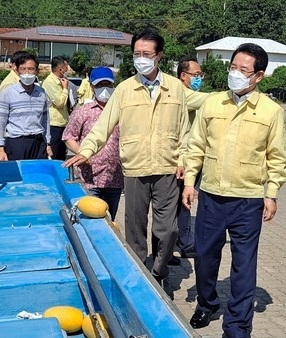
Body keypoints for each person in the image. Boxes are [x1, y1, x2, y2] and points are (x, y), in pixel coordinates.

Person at [64, 29, 190, 299]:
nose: (141, 59)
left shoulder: (175, 88)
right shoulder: (124, 89)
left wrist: (183, 160)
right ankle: (140, 277)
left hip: (168, 168)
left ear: (159, 56)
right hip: (134, 169)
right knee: (134, 231)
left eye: (147, 54)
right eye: (137, 54)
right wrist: (86, 150)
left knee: (168, 230)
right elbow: (103, 126)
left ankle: (158, 272)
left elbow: (185, 130)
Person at [182, 43, 286, 336]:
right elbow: (195, 147)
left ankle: (238, 326)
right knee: (204, 257)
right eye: (233, 68)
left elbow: (277, 157)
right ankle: (207, 303)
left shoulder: (271, 111)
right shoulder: (212, 104)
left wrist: (272, 193)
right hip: (212, 196)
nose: (236, 74)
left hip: (249, 200)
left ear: (258, 76)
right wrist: (190, 182)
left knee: (244, 266)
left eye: (243, 70)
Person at [62, 67, 123, 219]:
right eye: (99, 85)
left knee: (110, 219)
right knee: (91, 219)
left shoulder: (122, 111)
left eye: (107, 85)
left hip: (114, 178)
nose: (104, 89)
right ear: (91, 87)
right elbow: (69, 137)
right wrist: (82, 153)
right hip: (90, 178)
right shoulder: (83, 111)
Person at [173, 55, 210, 261]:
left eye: (200, 75)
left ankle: (182, 239)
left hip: (193, 157)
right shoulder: (183, 94)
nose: (199, 78)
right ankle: (185, 241)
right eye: (196, 75)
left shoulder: (191, 94)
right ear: (183, 76)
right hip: (182, 160)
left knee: (184, 201)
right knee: (183, 202)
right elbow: (210, 99)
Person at [0, 53, 52, 161]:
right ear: (17, 71)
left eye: (30, 69)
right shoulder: (8, 93)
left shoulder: (41, 92)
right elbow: (0, 122)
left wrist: (48, 143)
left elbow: (45, 120)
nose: (27, 73)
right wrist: (0, 149)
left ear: (37, 71)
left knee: (37, 176)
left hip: (38, 143)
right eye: (23, 69)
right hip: (17, 143)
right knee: (19, 175)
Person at [42, 56, 71, 160]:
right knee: (54, 154)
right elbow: (59, 103)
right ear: (60, 69)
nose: (67, 70)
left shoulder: (62, 80)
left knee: (61, 154)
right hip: (54, 124)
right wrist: (65, 89)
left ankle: (61, 175)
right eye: (66, 68)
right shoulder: (50, 82)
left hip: (63, 122)